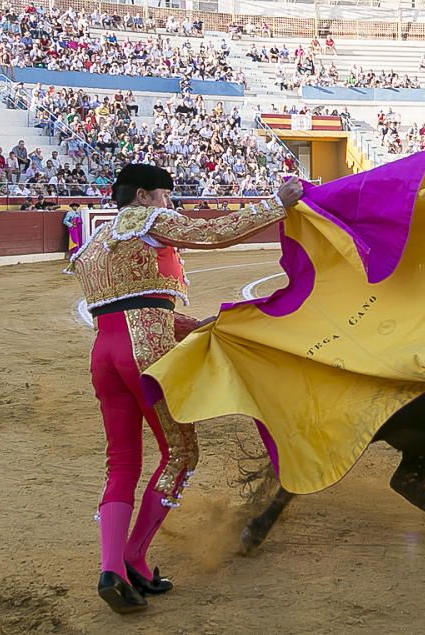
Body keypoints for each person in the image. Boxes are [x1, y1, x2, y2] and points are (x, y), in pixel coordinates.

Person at [68, 163, 303, 614]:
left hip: (104, 356)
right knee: (180, 453)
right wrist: (276, 204)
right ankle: (133, 556)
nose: (168, 205)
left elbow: (133, 307)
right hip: (145, 356)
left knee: (121, 462)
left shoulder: (95, 243)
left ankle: (111, 567)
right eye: (163, 196)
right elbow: (214, 234)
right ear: (142, 196)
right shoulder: (149, 222)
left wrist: (193, 325)